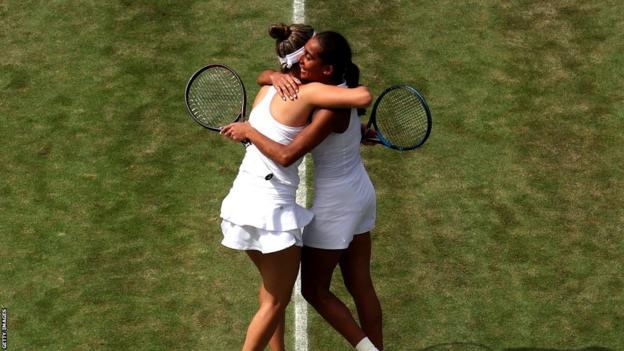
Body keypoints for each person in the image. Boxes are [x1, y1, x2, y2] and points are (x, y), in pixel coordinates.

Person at [222, 31, 383, 351]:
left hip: (326, 204)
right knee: (352, 284)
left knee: (304, 292)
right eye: (304, 54)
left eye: (311, 55)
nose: (305, 59)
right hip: (359, 194)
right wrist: (357, 132)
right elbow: (346, 110)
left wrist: (252, 127)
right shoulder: (324, 93)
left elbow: (288, 152)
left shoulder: (303, 96)